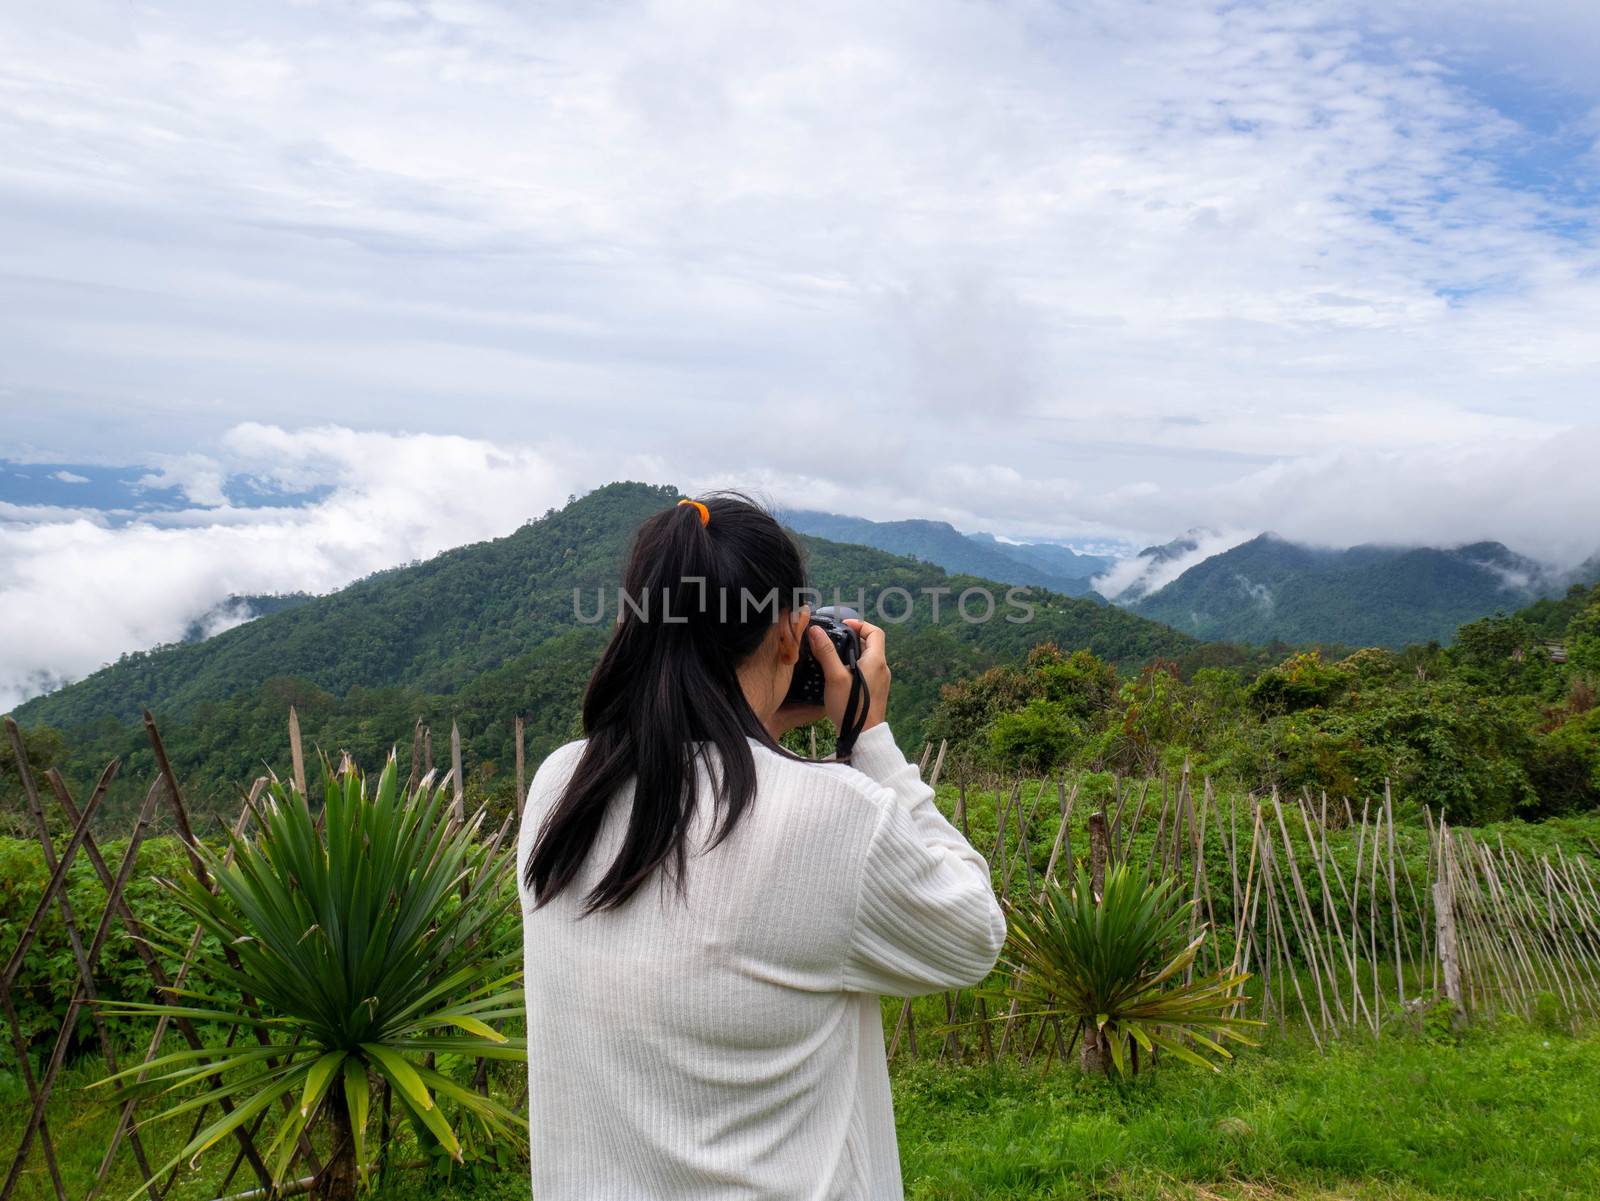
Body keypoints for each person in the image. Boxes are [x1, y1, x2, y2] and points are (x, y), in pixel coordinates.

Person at [516, 492, 1005, 1200]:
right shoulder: (835, 817)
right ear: (787, 634)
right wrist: (868, 738)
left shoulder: (561, 786)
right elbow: (973, 934)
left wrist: (757, 730)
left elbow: (702, 813)